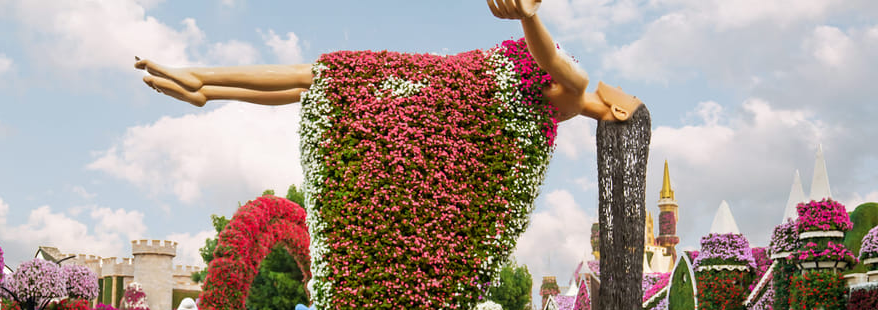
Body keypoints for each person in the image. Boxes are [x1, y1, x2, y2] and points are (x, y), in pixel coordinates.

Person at [134, 0, 642, 123]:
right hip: (438, 92)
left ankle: (203, 78)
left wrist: (530, 16)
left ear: (619, 112)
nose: (624, 88)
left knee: (318, 76)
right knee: (316, 86)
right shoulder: (565, 105)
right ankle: (205, 88)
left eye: (631, 99)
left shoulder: (574, 94)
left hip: (429, 87)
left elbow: (551, 56)